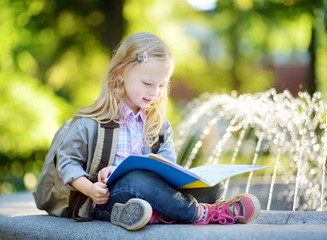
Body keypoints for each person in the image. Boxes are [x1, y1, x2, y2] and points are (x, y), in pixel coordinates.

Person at [56, 32, 261, 231]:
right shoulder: (92, 121)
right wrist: (90, 188)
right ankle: (203, 213)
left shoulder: (158, 124)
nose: (154, 92)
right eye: (147, 83)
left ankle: (153, 214)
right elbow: (67, 161)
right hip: (107, 200)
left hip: (151, 192)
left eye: (162, 85)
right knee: (137, 179)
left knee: (214, 187)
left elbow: (167, 163)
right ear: (121, 73)